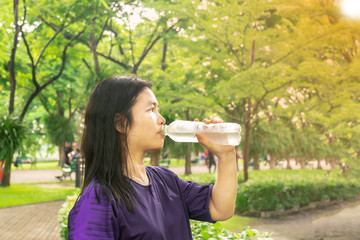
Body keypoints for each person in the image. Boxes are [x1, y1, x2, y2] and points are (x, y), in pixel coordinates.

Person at [67, 75, 237, 240]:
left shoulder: (165, 180)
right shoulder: (97, 201)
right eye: (151, 110)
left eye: (159, 110)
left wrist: (226, 156)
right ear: (121, 123)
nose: (162, 119)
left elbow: (220, 208)